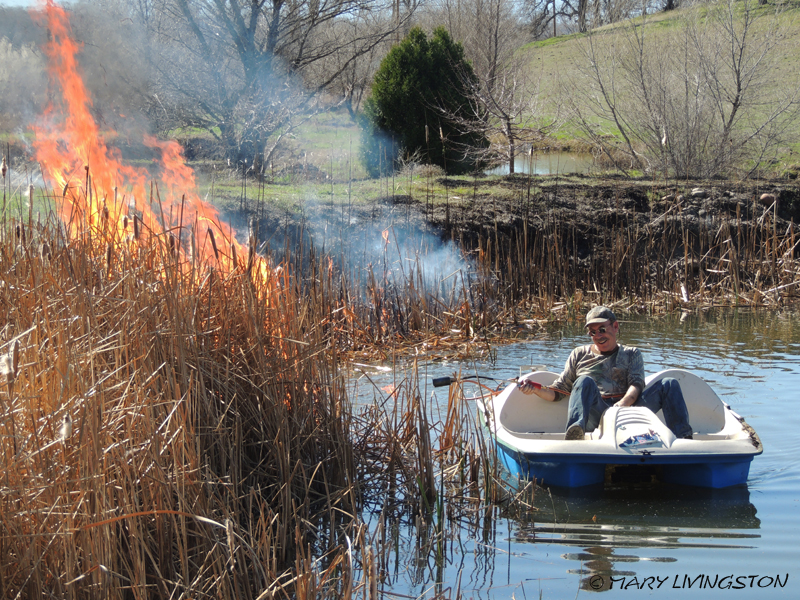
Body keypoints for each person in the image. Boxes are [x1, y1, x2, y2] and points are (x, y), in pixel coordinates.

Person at [518, 306, 693, 441]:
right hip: (598, 413)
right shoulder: (579, 354)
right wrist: (535, 389)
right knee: (584, 380)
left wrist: (623, 405)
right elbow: (558, 391)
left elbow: (637, 384)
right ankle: (574, 437)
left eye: (602, 329)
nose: (598, 336)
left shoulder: (632, 353)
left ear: (615, 326)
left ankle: (685, 439)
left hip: (631, 410)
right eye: (592, 332)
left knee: (669, 383)